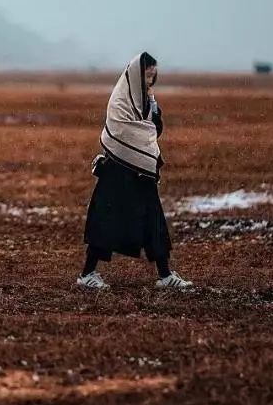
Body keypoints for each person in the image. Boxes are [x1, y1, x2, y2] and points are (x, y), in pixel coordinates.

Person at [77, 52, 193, 290]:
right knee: (106, 221)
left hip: (140, 174)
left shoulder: (146, 101)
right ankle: (87, 274)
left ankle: (165, 275)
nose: (150, 80)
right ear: (136, 75)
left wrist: (153, 105)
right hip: (117, 172)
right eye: (147, 75)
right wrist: (142, 140)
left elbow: (154, 130)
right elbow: (123, 131)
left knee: (154, 221)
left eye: (153, 75)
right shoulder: (120, 101)